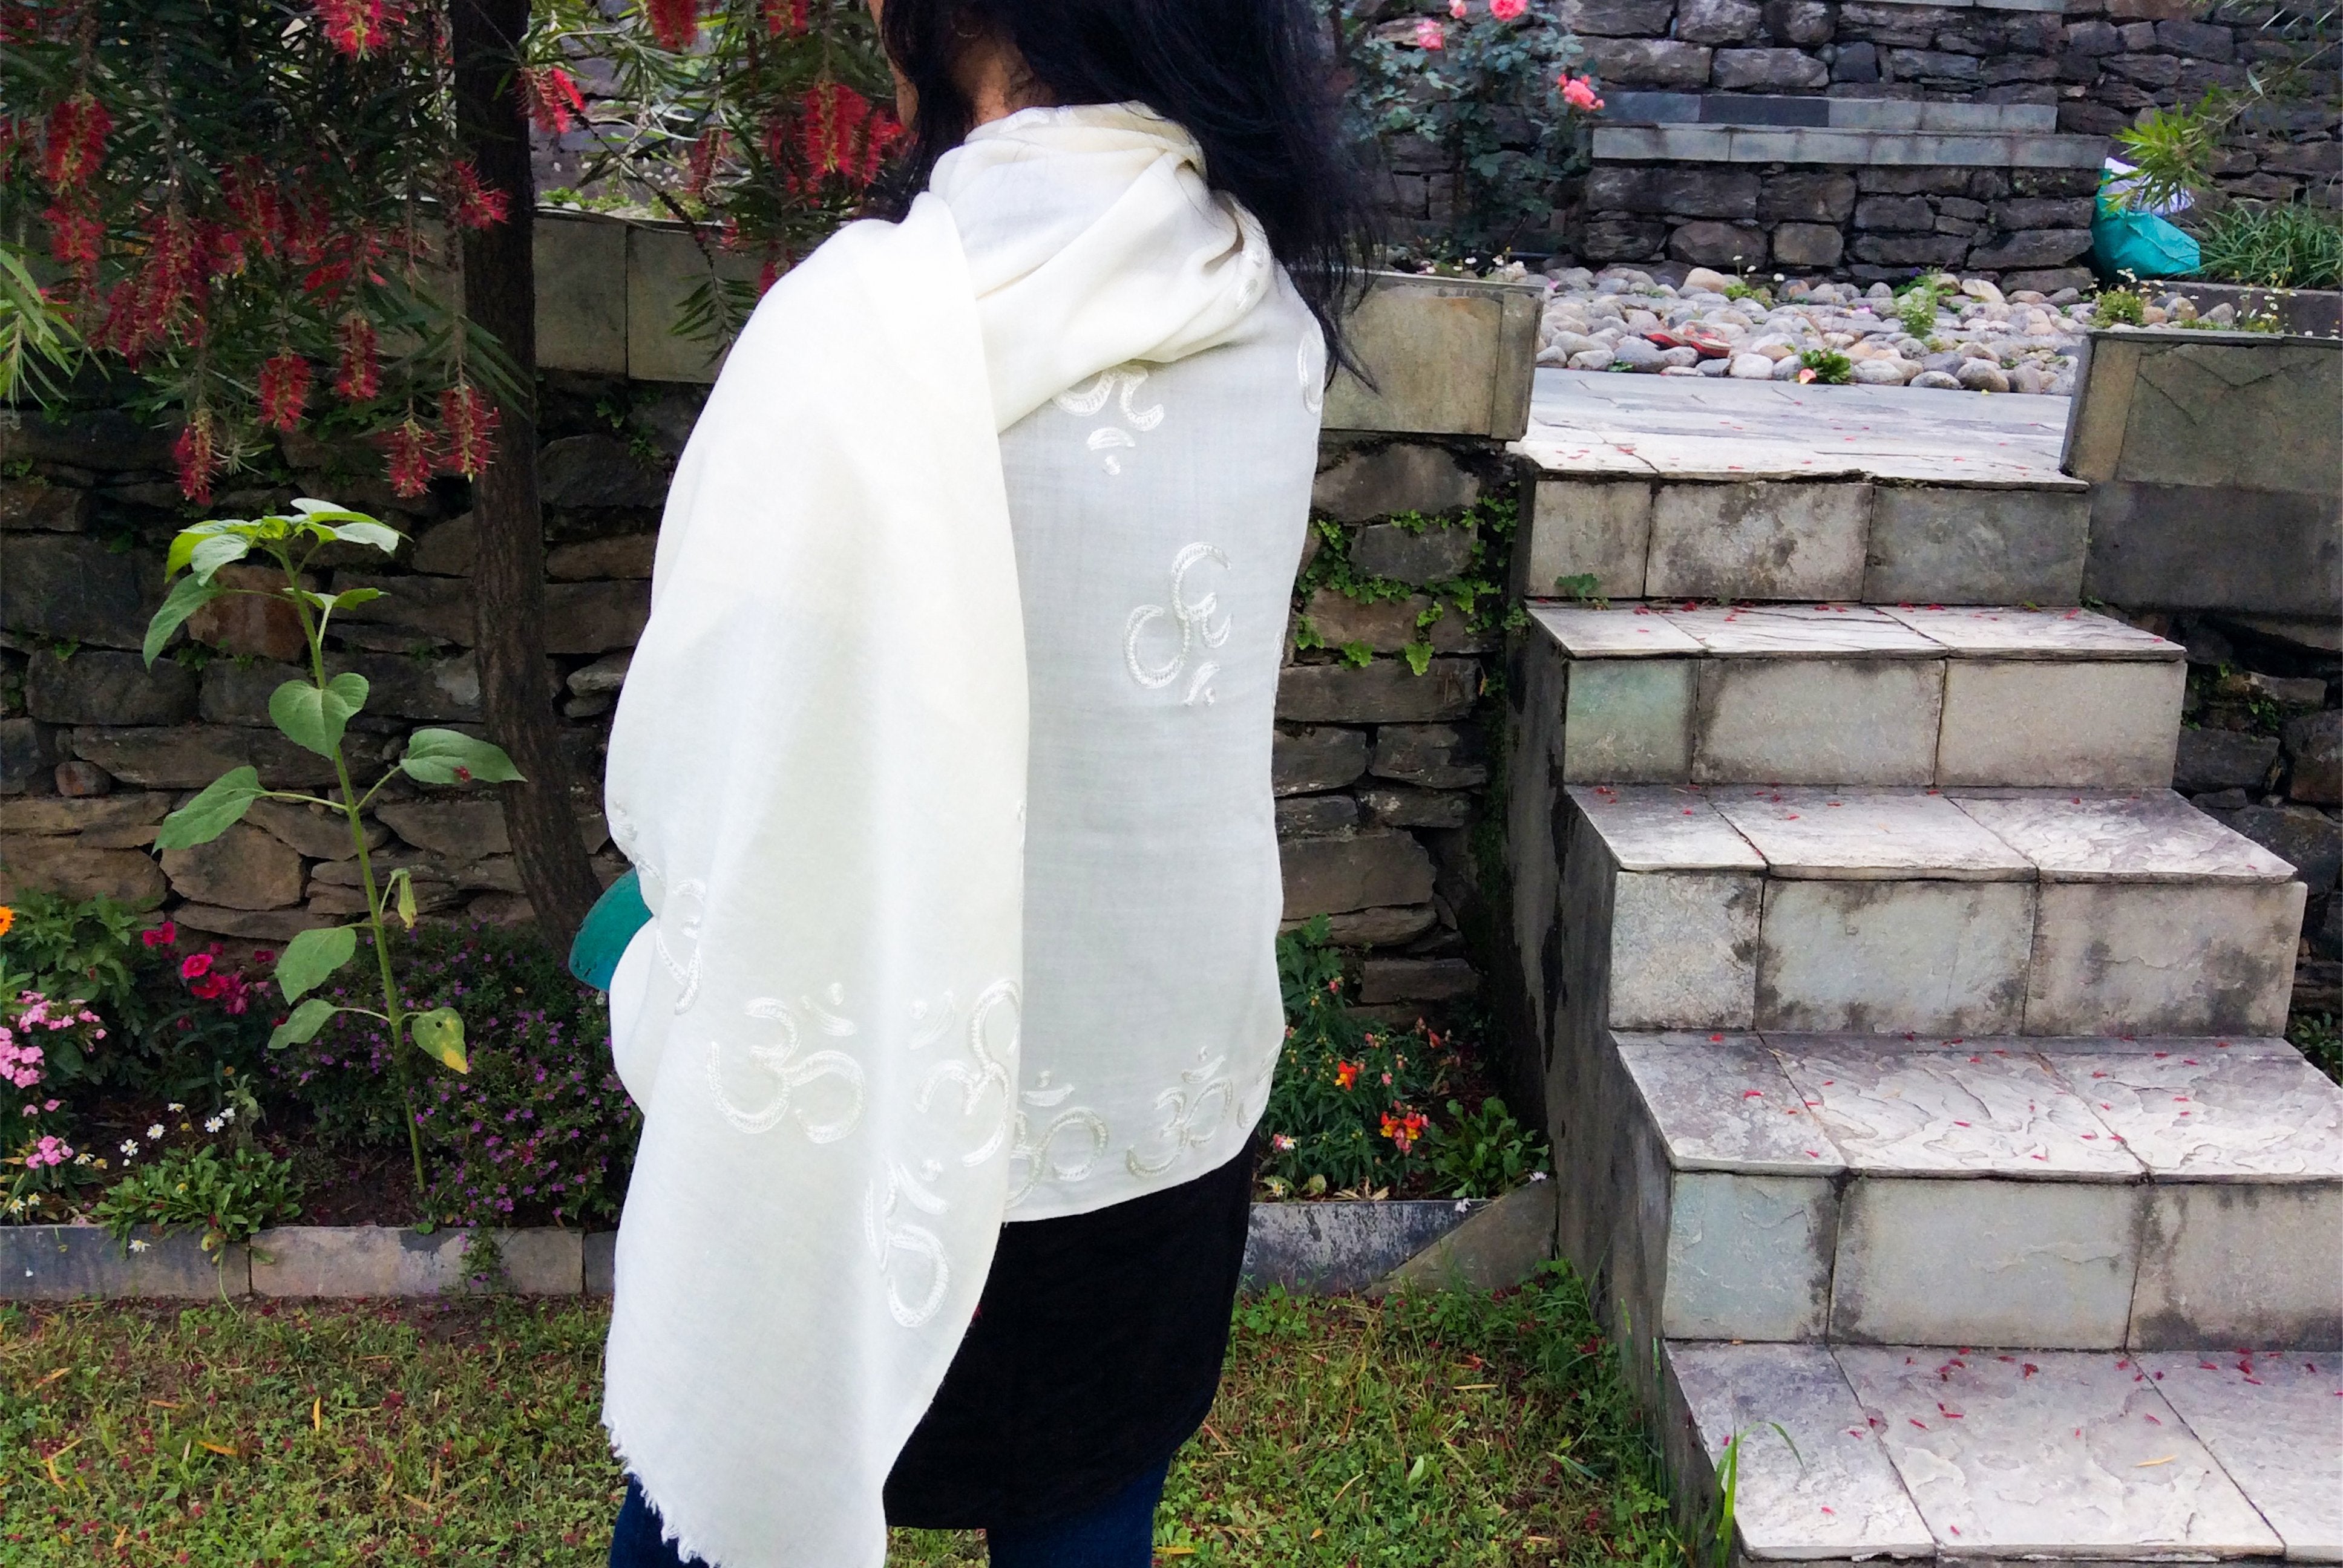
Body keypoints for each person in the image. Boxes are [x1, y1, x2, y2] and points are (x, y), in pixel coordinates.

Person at [597, 3, 1369, 1565]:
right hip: (1151, 1075)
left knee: (728, 1495)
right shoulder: (1262, 315)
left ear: (947, 24)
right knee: (1087, 1505)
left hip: (846, 1080)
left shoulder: (852, 327)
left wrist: (657, 928)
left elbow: (711, 733)